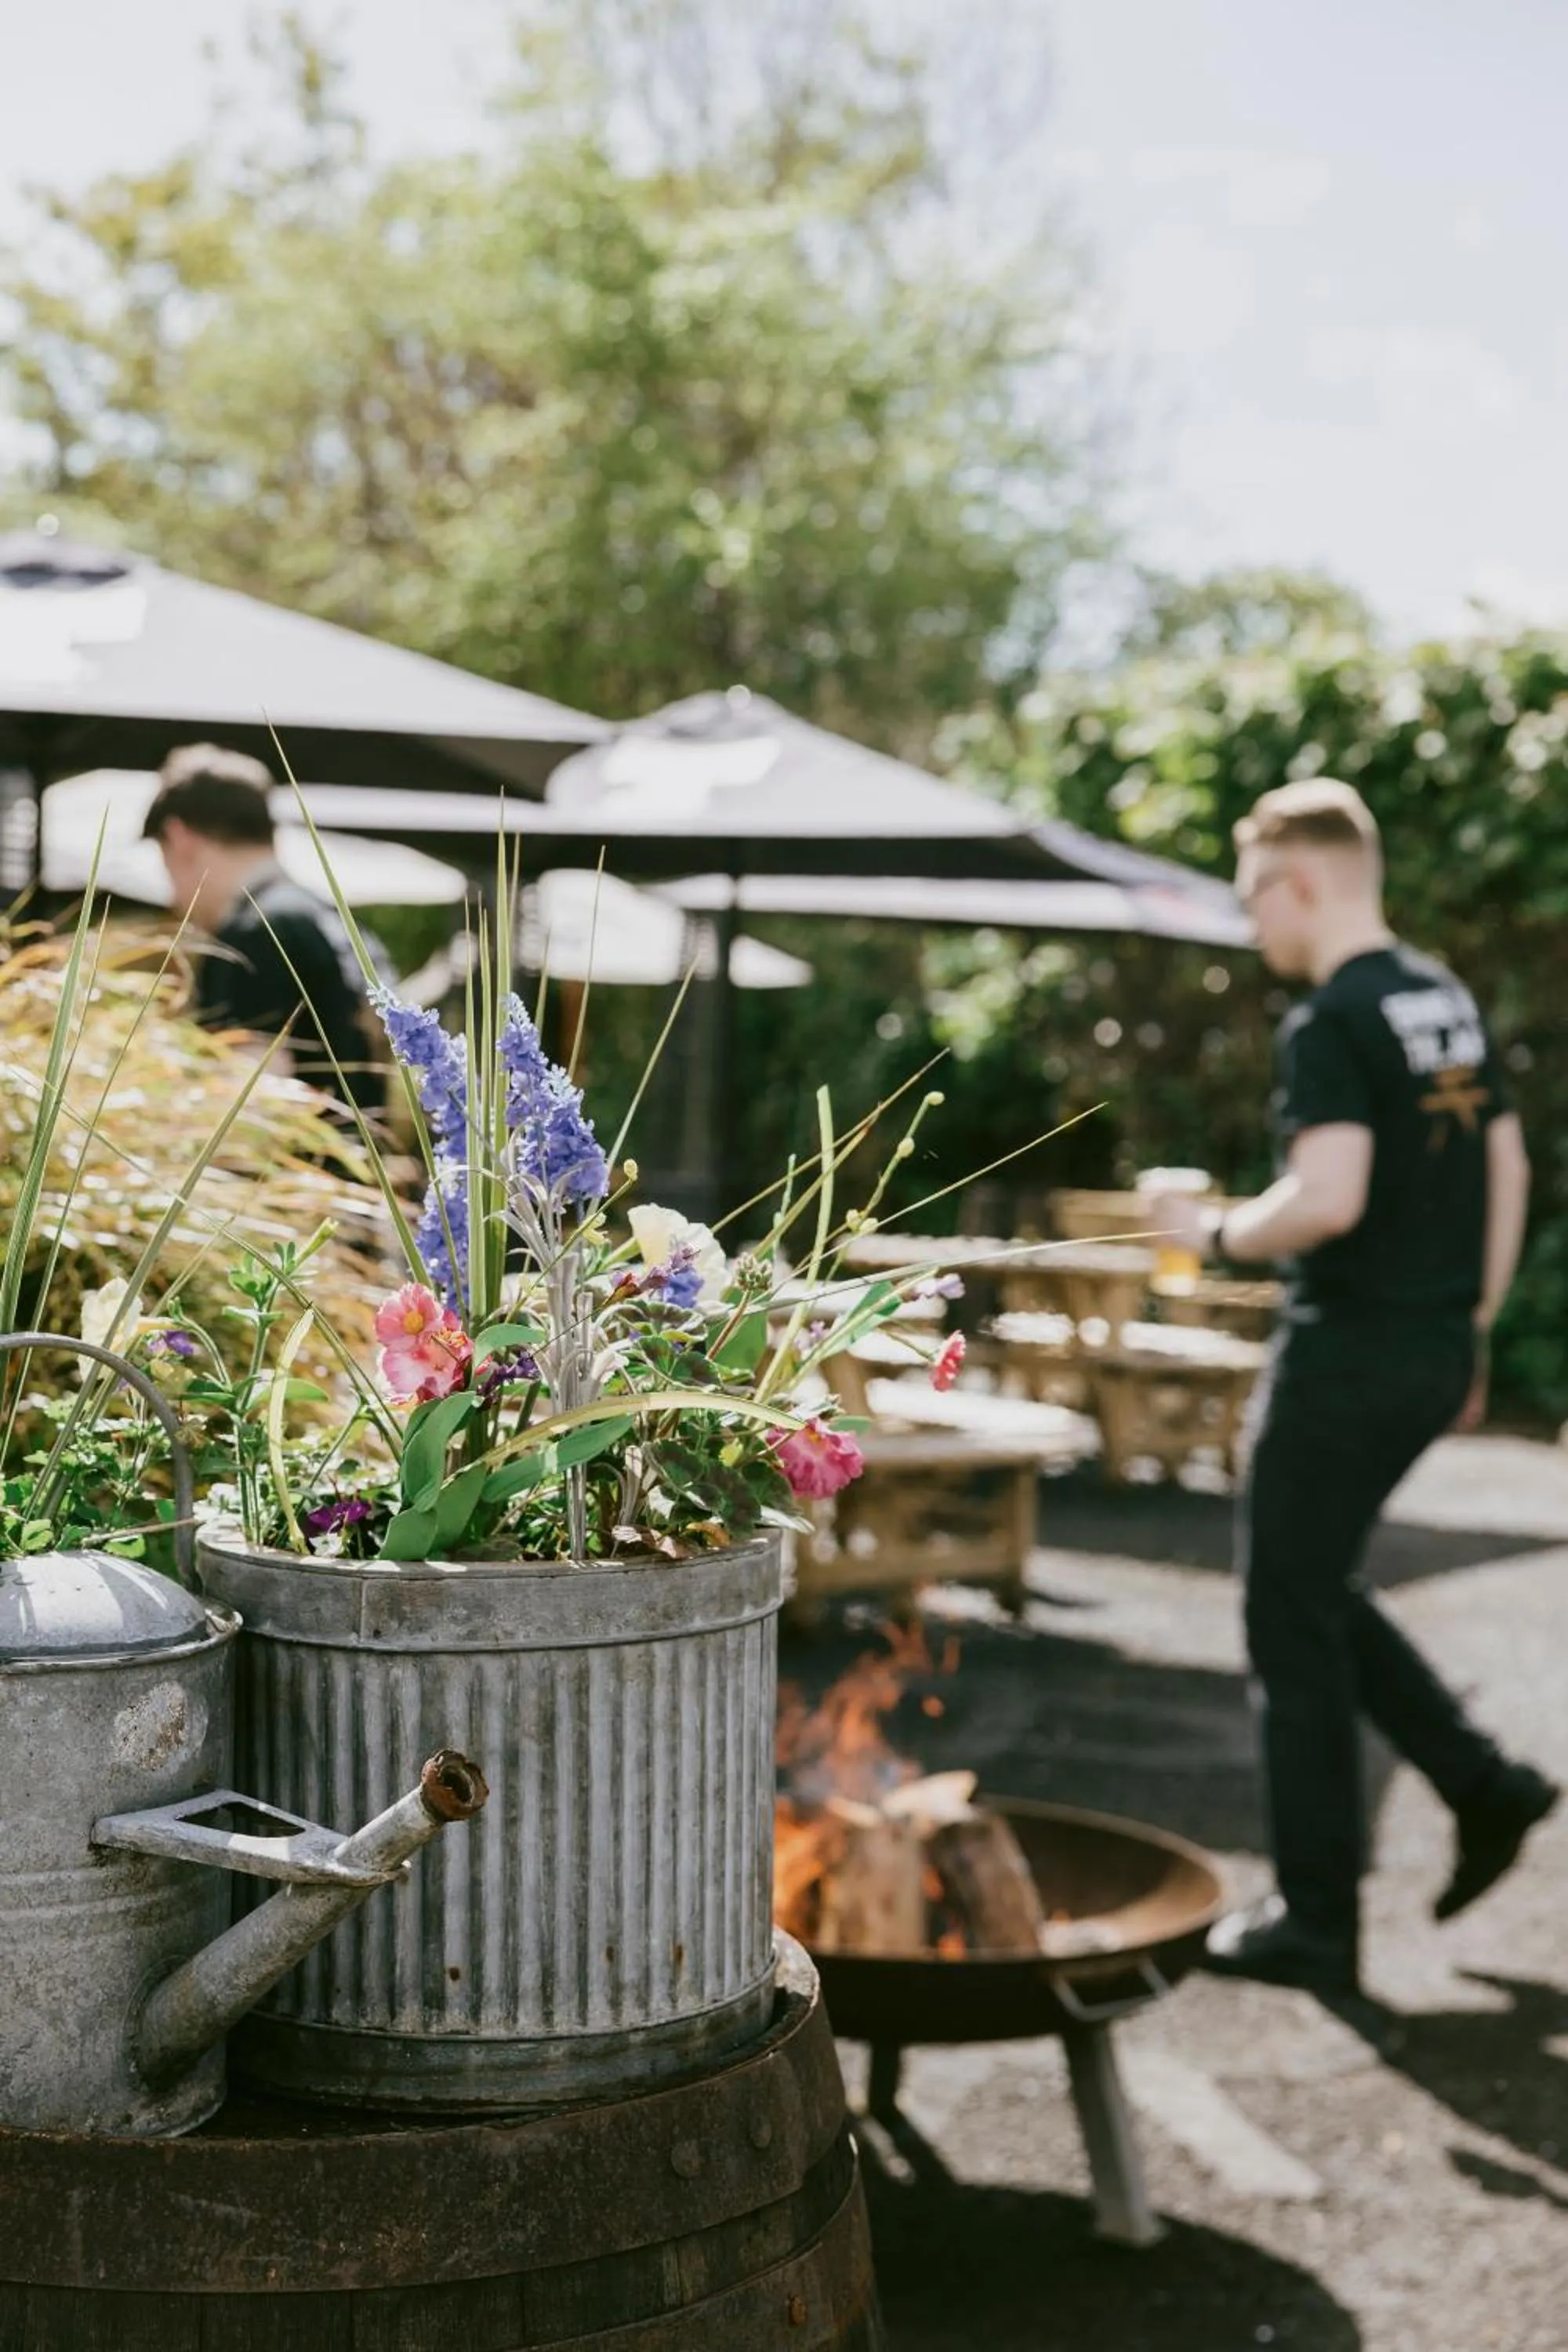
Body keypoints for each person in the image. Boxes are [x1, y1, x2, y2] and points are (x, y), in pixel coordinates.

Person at [1150, 778, 1555, 1994]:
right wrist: (1470, 1329)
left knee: (1288, 1612)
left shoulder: (1330, 1020)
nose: (1251, 922)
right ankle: (1487, 1784)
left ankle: (1316, 1923)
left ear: (1307, 880)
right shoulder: (1443, 999)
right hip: (1428, 1349)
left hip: (1344, 1355)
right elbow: (1509, 1164)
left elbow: (1328, 1198)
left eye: (1253, 895)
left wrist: (1206, 1231)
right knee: (1315, 1584)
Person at [142, 744, 383, 1115]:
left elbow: (251, 1100)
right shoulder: (328, 916)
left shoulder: (253, 933)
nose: (171, 893)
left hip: (300, 1167)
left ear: (179, 839)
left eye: (163, 861)